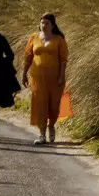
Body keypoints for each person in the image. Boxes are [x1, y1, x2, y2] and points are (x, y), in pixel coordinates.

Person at [22, 14, 70, 145]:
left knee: (54, 106)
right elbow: (28, 57)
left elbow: (63, 60)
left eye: (47, 23)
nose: (44, 25)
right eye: (42, 22)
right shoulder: (34, 37)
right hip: (37, 78)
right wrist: (24, 73)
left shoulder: (59, 39)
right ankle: (42, 134)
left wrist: (61, 76)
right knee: (40, 104)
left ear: (52, 25)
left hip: (55, 78)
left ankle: (51, 125)